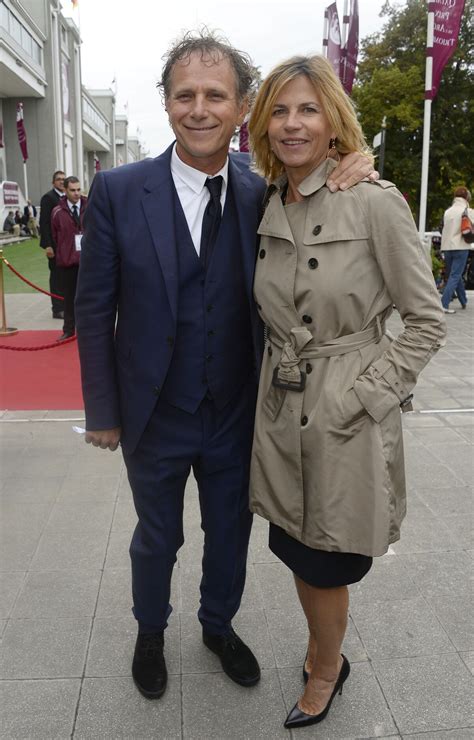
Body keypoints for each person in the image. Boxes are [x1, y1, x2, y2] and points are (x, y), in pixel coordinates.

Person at [74, 30, 376, 702]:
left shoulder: (261, 189)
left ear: (243, 108)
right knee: (157, 536)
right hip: (153, 410)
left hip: (240, 409)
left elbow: (328, 189)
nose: (200, 108)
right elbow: (94, 312)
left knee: (230, 533)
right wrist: (103, 412)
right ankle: (150, 629)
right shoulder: (119, 190)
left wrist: (358, 159)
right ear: (167, 102)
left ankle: (218, 625)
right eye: (186, 94)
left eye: (216, 95)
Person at [247, 55, 446, 730]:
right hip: (281, 407)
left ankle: (327, 669)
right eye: (279, 109)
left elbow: (426, 320)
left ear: (334, 121)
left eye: (308, 109)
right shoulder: (268, 200)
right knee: (297, 546)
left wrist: (365, 397)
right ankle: (320, 647)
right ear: (262, 124)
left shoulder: (374, 202)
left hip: (344, 409)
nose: (293, 123)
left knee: (327, 556)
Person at [51, 177, 86, 340]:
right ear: (65, 190)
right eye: (72, 190)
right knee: (69, 298)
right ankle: (69, 329)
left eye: (78, 189)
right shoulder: (57, 211)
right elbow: (55, 236)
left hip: (89, 262)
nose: (77, 193)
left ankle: (88, 330)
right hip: (68, 262)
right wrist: (65, 252)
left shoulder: (90, 206)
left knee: (90, 298)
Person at [440, 186, 473, 313]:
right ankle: (444, 304)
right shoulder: (468, 211)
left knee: (454, 275)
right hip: (461, 246)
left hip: (447, 247)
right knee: (455, 275)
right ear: (466, 197)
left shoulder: (448, 212)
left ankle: (463, 300)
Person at [39, 170, 66, 319]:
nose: (62, 181)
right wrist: (48, 245)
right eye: (59, 179)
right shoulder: (48, 198)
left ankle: (65, 305)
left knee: (65, 277)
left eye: (63, 179)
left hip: (66, 245)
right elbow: (44, 223)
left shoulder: (66, 197)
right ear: (53, 182)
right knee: (56, 277)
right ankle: (57, 309)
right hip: (54, 246)